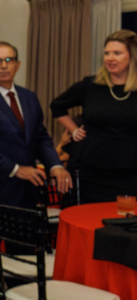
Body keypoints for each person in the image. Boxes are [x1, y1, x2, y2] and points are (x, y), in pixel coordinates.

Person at [51, 29, 137, 203]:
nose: (109, 58)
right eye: (107, 53)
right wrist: (73, 130)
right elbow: (57, 106)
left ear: (132, 57)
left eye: (117, 53)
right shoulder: (90, 85)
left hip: (130, 173)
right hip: (89, 171)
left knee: (123, 225)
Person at [0, 41, 70, 208]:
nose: (3, 66)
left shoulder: (28, 97)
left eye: (9, 60)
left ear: (18, 65)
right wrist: (16, 169)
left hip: (30, 190)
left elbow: (40, 137)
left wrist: (55, 165)